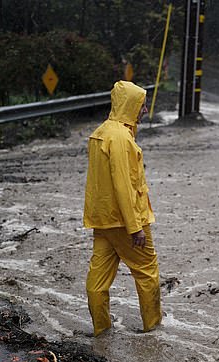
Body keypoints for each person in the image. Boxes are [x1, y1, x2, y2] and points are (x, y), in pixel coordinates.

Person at [83, 80, 162, 336]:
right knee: (147, 273)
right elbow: (123, 186)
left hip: (103, 221)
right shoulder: (120, 139)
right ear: (129, 104)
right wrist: (135, 226)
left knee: (98, 279)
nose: (145, 110)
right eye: (142, 104)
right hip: (126, 222)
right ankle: (153, 330)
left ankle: (101, 331)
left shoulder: (101, 132)